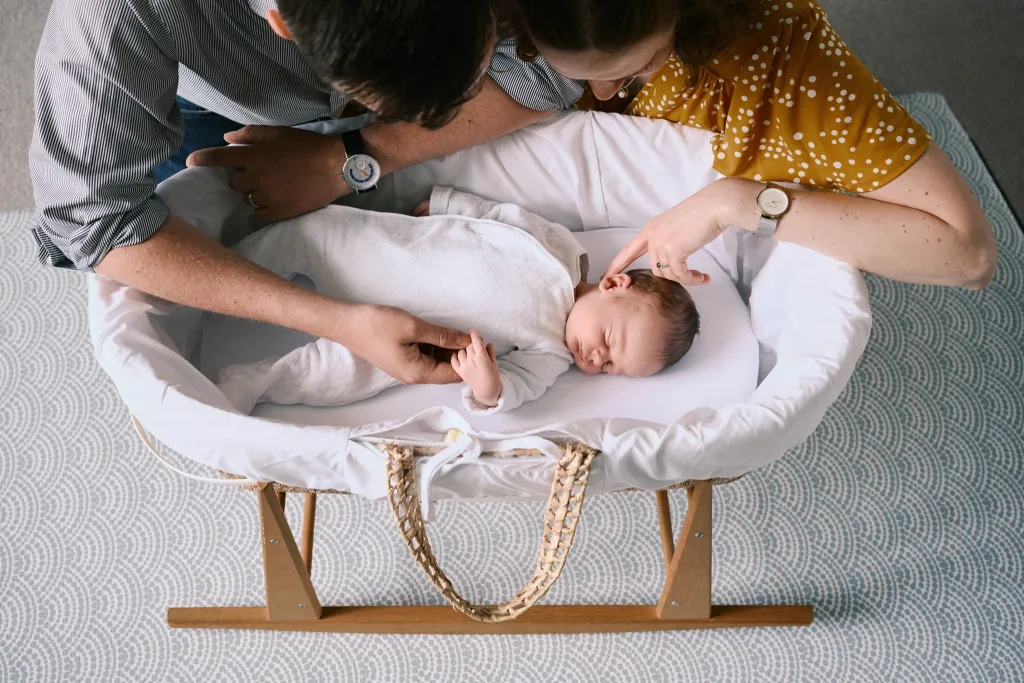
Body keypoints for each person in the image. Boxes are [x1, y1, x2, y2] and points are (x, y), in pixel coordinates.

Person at [29, 0, 582, 386]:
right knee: (188, 216)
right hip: (206, 99)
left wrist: (354, 158)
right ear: (282, 23)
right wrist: (334, 321)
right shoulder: (109, 18)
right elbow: (96, 219)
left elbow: (558, 67)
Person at [508, 0, 998, 290]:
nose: (601, 96)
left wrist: (740, 201)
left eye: (634, 69)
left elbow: (970, 254)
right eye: (571, 72)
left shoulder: (788, 59)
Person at [215, 187, 699, 414]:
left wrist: (489, 387)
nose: (595, 357)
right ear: (615, 286)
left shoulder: (550, 355)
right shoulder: (564, 250)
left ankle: (256, 382)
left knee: (339, 377)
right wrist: (450, 204)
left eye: (609, 366)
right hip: (392, 256)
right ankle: (220, 270)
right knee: (316, 232)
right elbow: (503, 217)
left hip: (407, 336)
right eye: (610, 340)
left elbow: (518, 390)